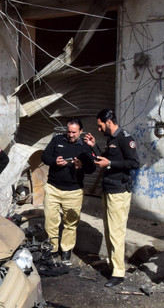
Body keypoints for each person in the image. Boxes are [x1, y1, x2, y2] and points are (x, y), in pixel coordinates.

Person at [83, 109, 140, 287]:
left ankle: (118, 273)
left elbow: (134, 163)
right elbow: (105, 159)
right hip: (108, 190)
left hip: (119, 191)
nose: (99, 130)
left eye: (100, 126)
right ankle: (113, 265)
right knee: (109, 231)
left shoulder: (124, 138)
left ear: (108, 122)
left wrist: (111, 163)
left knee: (116, 233)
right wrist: (93, 146)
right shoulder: (111, 139)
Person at [41, 119, 96, 264]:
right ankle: (52, 249)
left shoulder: (85, 146)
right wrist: (55, 161)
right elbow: (44, 156)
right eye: (69, 131)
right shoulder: (57, 139)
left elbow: (92, 168)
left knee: (70, 223)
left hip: (73, 191)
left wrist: (82, 165)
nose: (70, 135)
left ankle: (66, 251)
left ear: (81, 131)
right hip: (53, 188)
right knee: (50, 221)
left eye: (74, 132)